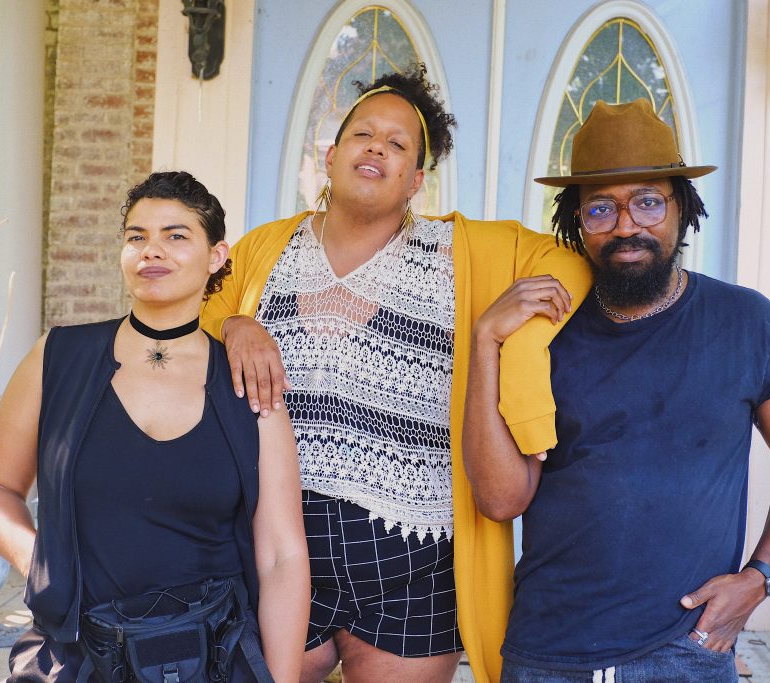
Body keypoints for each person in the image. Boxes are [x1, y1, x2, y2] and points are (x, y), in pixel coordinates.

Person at [200, 64, 592, 683]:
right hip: (278, 549)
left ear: (415, 181)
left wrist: (507, 342)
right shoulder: (264, 250)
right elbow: (199, 308)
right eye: (363, 134)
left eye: (398, 143)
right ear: (330, 157)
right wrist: (234, 326)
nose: (376, 146)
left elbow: (570, 270)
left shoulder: (465, 250)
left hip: (411, 559)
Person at [463, 99, 770, 682]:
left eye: (648, 201)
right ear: (575, 222)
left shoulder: (746, 323)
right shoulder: (545, 334)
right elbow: (502, 500)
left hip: (686, 649)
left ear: (683, 207)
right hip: (549, 652)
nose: (626, 225)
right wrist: (486, 339)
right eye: (601, 208)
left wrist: (761, 578)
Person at [0, 171, 310, 682]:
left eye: (176, 236)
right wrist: (44, 563)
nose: (152, 250)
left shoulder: (249, 384)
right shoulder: (58, 358)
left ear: (217, 256)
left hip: (212, 658)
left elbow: (282, 555)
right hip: (79, 654)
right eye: (137, 237)